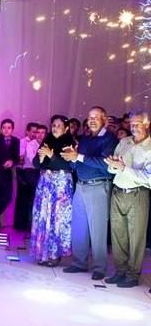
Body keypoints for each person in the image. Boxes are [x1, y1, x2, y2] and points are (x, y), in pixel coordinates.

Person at [62, 106, 118, 280]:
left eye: (96, 117)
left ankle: (99, 267)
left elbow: (104, 164)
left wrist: (78, 157)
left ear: (104, 120)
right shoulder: (85, 139)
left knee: (98, 229)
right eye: (90, 117)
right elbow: (77, 162)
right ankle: (79, 263)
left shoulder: (110, 139)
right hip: (81, 186)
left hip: (99, 186)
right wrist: (71, 158)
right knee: (79, 227)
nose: (92, 120)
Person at [104, 111, 151, 288]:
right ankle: (120, 271)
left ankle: (133, 275)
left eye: (137, 124)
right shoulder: (124, 142)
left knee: (136, 237)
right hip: (118, 192)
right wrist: (113, 165)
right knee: (118, 235)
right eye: (131, 124)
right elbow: (113, 168)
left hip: (138, 194)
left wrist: (124, 168)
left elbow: (149, 178)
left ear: (147, 124)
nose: (133, 127)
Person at [30, 116, 75, 266]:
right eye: (54, 125)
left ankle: (55, 254)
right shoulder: (47, 140)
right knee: (43, 215)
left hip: (61, 184)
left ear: (66, 128)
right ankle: (42, 253)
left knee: (57, 217)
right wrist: (41, 158)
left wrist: (51, 156)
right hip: (45, 183)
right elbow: (36, 163)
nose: (55, 128)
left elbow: (69, 165)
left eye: (59, 125)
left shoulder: (69, 143)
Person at [14, 123, 40, 233]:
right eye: (33, 132)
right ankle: (20, 225)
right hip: (23, 172)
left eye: (36, 132)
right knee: (23, 199)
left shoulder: (37, 143)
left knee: (31, 199)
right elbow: (20, 158)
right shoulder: (23, 142)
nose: (35, 134)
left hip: (33, 172)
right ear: (27, 131)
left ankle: (28, 224)